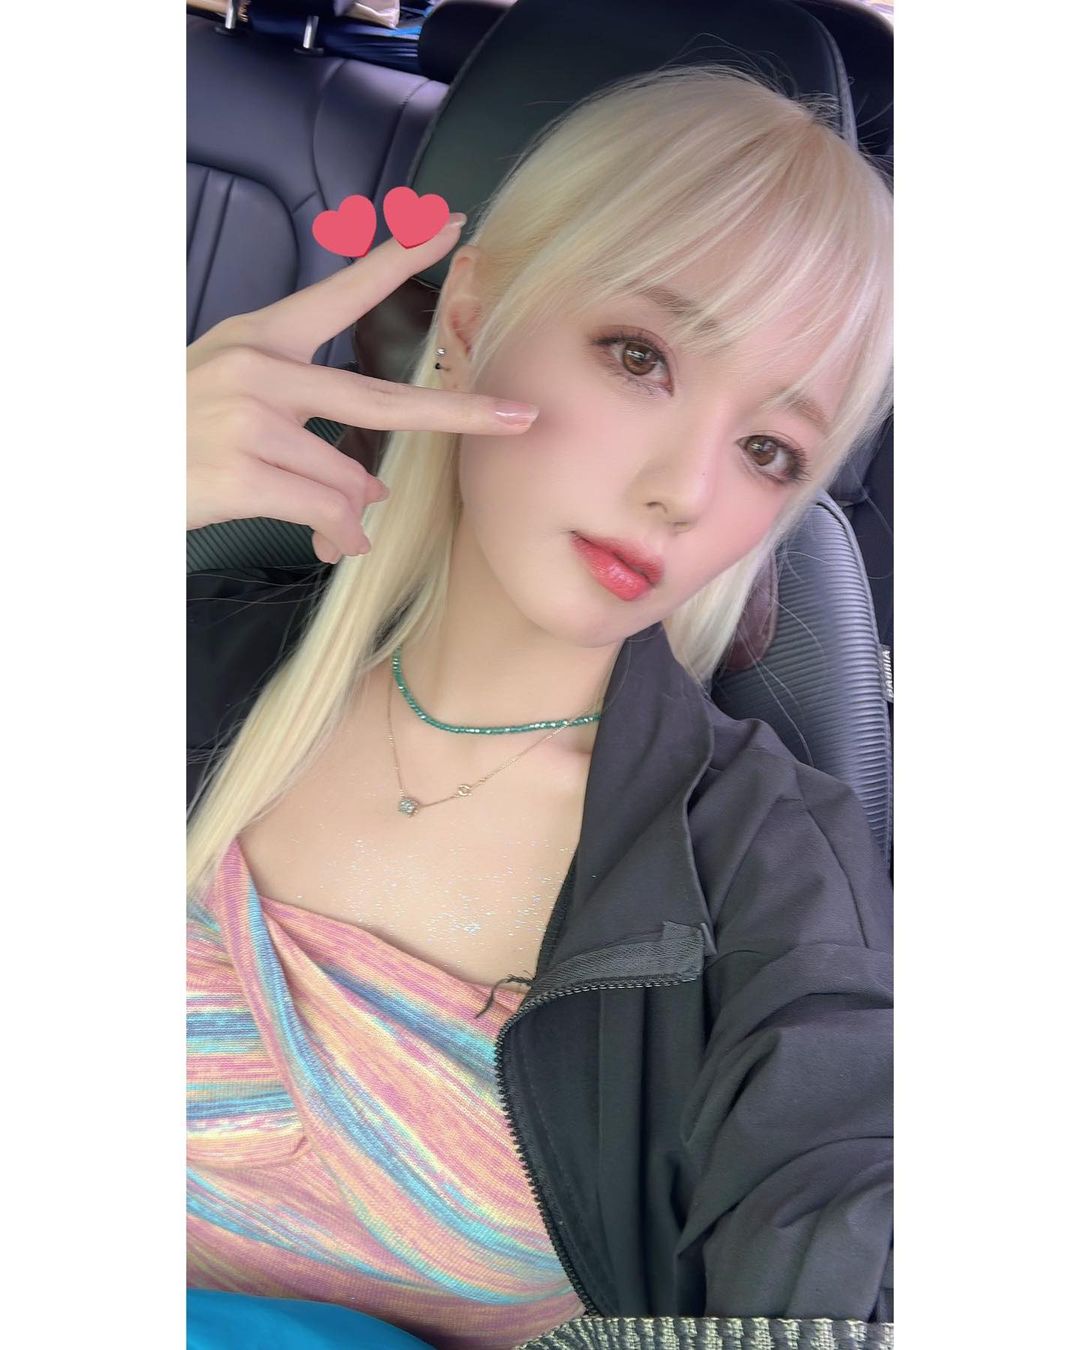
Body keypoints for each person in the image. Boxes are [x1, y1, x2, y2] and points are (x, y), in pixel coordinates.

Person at [187, 65, 894, 1350]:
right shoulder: (191, 654)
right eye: (641, 356)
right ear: (470, 312)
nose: (685, 490)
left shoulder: (772, 876)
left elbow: (843, 1230)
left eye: (768, 450)